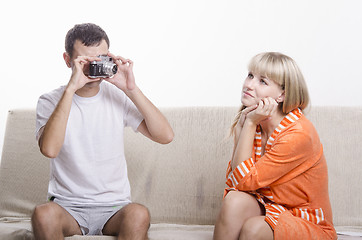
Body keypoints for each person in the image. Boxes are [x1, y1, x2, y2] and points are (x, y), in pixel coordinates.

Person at [31, 23, 174, 240]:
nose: (94, 67)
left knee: (138, 214)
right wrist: (72, 88)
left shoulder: (116, 96)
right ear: (68, 60)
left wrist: (130, 89)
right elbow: (49, 149)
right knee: (42, 214)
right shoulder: (50, 100)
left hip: (114, 207)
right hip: (67, 207)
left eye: (100, 59)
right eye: (85, 61)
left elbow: (165, 136)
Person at [213, 52, 337, 240]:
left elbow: (243, 180)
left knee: (254, 229)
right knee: (234, 201)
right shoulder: (254, 121)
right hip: (271, 209)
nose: (249, 84)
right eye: (250, 75)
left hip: (305, 221)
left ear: (282, 94)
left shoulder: (298, 134)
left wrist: (248, 125)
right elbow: (235, 185)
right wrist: (246, 127)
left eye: (263, 81)